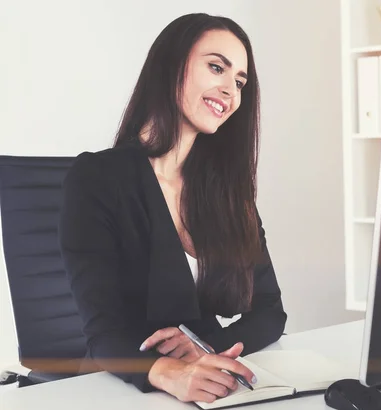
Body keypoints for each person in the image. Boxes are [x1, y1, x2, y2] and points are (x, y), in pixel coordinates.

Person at [58, 12, 287, 404]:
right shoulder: (98, 177)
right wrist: (170, 373)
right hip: (122, 388)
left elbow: (271, 312)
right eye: (216, 67)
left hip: (208, 387)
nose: (231, 91)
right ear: (172, 64)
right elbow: (104, 332)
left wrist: (205, 346)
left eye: (240, 82)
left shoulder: (227, 193)